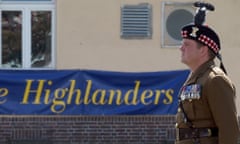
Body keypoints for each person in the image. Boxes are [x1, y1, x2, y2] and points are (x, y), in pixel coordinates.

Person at [175, 2, 240, 144]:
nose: (181, 48)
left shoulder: (215, 80)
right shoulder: (194, 79)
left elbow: (229, 129)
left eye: (187, 44)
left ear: (203, 50)